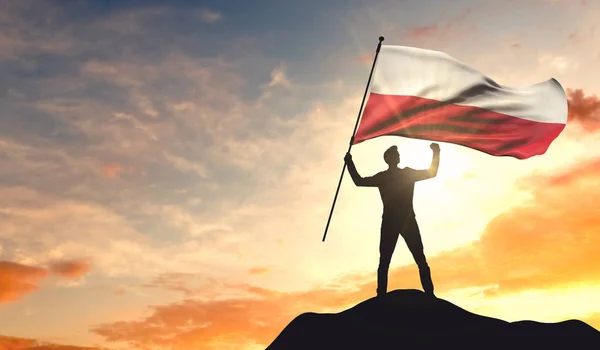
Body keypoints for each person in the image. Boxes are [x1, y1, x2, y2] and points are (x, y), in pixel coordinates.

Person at [344, 143, 440, 297]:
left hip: (404, 220)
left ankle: (429, 293)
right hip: (394, 221)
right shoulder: (387, 176)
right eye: (395, 155)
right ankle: (381, 294)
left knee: (418, 258)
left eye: (397, 154)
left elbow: (431, 173)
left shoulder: (402, 174)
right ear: (389, 159)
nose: (397, 156)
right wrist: (349, 162)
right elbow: (359, 181)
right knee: (386, 261)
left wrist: (436, 152)